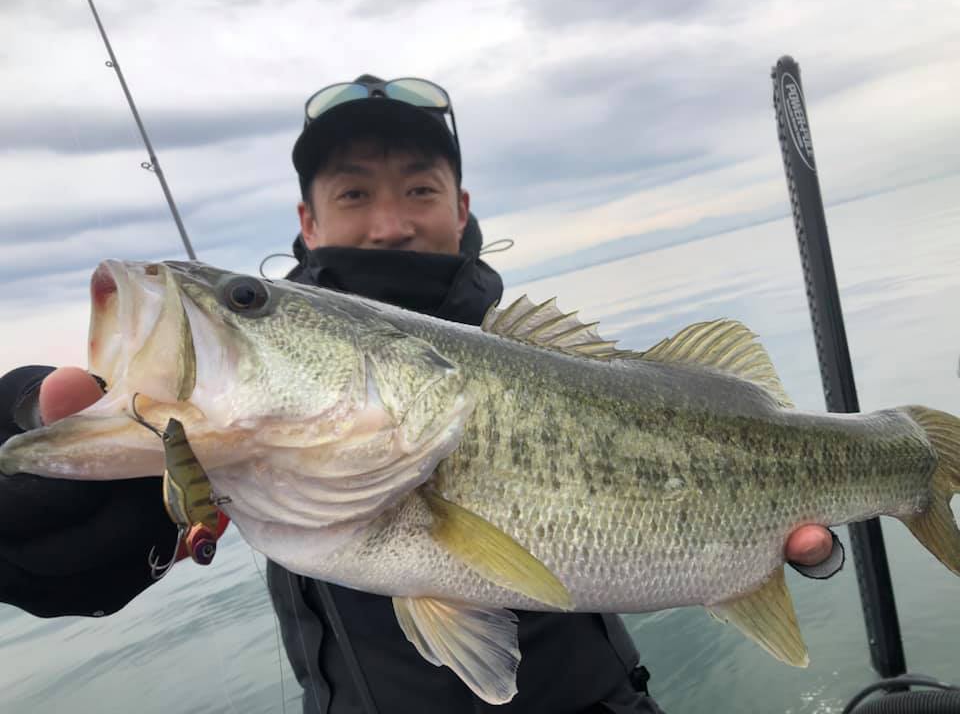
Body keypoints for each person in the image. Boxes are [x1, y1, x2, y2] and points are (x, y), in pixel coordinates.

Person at [0, 74, 842, 713]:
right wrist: (27, 431)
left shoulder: (536, 357)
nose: (390, 221)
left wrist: (772, 558)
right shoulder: (233, 439)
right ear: (307, 221)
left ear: (460, 206)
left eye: (419, 189)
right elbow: (66, 570)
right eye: (353, 192)